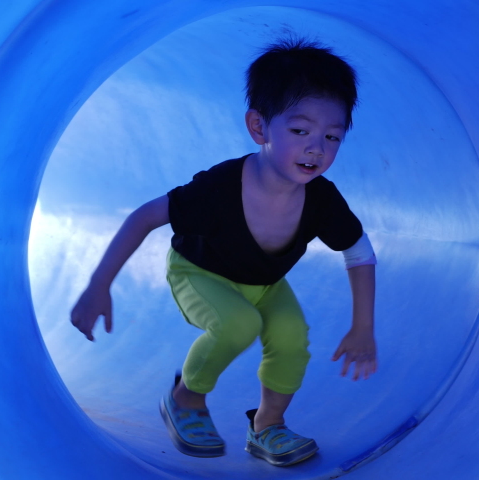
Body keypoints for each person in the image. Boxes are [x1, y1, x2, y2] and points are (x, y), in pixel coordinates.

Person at [70, 39, 377, 467]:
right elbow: (145, 217)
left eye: (332, 137)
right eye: (300, 131)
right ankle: (186, 399)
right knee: (237, 323)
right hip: (199, 273)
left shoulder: (322, 199)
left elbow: (359, 253)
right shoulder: (218, 189)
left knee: (291, 338)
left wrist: (363, 326)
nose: (316, 149)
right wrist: (98, 285)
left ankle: (268, 426)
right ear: (259, 127)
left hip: (266, 284)